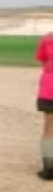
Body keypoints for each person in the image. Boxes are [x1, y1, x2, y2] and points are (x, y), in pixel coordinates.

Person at [35, 33, 53, 180]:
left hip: (49, 87)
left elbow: (42, 60)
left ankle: (49, 167)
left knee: (49, 127)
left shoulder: (47, 39)